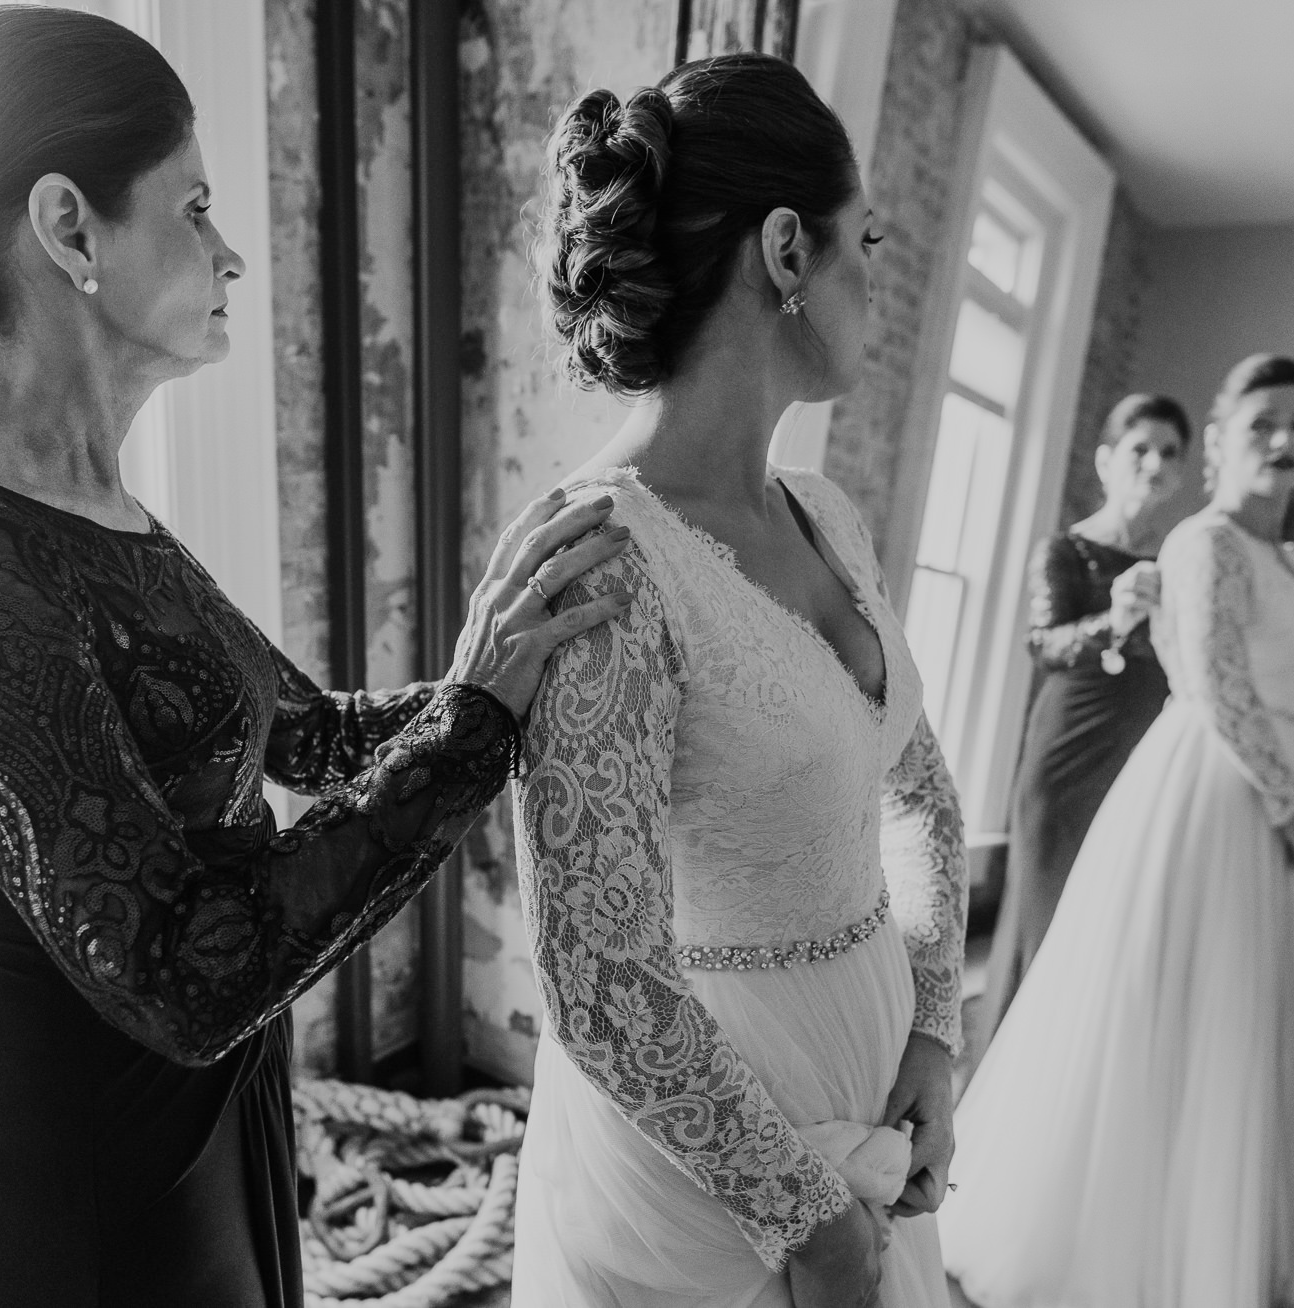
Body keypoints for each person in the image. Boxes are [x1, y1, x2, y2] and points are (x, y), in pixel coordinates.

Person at [0, 9, 632, 1306]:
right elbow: (192, 975)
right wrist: (476, 725)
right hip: (74, 1176)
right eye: (193, 206)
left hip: (211, 1109)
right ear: (69, 228)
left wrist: (515, 661)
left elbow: (306, 736)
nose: (230, 251)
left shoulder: (96, 508)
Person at [507, 54, 967, 1308]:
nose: (878, 273)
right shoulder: (601, 557)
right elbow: (599, 982)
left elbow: (919, 789)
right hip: (708, 1160)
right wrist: (808, 1223)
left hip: (872, 1074)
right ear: (785, 250)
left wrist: (933, 1023)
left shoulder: (826, 515)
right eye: (860, 235)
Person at [940, 355, 1294, 1308]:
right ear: (1220, 444)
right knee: (1146, 998)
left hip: (1268, 800)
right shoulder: (1199, 544)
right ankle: (1121, 1234)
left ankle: (1230, 1232)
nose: (1287, 442)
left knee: (1242, 1015)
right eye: (1264, 425)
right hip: (1213, 791)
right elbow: (1217, 686)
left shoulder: (1289, 558)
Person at [976, 394, 1189, 1042]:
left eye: (1170, 453)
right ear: (1106, 461)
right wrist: (1114, 620)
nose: (1154, 464)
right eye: (1140, 449)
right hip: (1067, 761)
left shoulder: (1181, 564)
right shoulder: (1065, 550)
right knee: (1047, 925)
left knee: (1113, 929)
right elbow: (1043, 646)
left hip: (1142, 766)